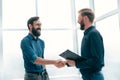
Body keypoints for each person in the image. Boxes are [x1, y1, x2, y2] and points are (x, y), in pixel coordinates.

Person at [66, 8, 105, 80]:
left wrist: (76, 64)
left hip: (93, 77)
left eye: (79, 18)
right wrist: (71, 62)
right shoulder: (88, 34)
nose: (77, 21)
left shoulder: (93, 34)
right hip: (89, 76)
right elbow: (88, 58)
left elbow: (97, 61)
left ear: (85, 18)